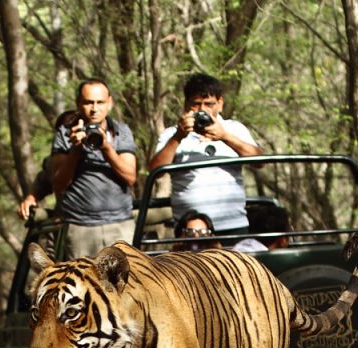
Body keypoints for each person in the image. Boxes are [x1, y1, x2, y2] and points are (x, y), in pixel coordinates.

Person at [30, 79, 137, 257]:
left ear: (109, 103)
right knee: (83, 284)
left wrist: (106, 147)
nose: (94, 108)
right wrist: (76, 150)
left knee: (124, 283)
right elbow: (59, 185)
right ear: (79, 104)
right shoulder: (65, 134)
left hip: (120, 225)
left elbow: (130, 177)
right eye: (88, 102)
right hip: (80, 228)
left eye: (100, 102)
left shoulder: (121, 131)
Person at [149, 73, 261, 243]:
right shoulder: (172, 134)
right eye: (196, 104)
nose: (202, 110)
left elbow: (261, 162)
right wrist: (178, 137)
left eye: (209, 104)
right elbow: (155, 171)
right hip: (190, 230)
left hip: (233, 225)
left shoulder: (234, 129)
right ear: (186, 105)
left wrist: (225, 136)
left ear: (220, 104)